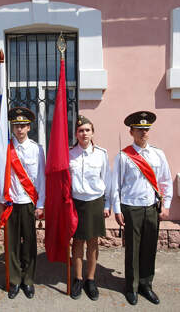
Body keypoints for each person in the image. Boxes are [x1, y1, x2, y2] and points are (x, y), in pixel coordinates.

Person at [106, 111, 172, 306]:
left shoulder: (158, 154)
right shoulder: (123, 156)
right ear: (131, 132)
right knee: (133, 249)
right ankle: (131, 286)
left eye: (146, 129)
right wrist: (117, 210)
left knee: (149, 248)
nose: (143, 133)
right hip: (131, 208)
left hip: (151, 207)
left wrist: (166, 206)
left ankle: (146, 284)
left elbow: (166, 181)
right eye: (139, 130)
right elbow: (115, 186)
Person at [0, 107, 45, 299]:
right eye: (16, 125)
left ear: (29, 127)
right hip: (11, 203)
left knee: (29, 243)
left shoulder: (37, 149)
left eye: (23, 126)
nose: (19, 129)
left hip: (28, 203)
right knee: (12, 244)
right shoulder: (5, 149)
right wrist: (3, 199)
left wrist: (40, 204)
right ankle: (15, 280)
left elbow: (41, 178)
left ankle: (28, 280)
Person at [68, 115, 110, 301]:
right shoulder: (69, 154)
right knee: (77, 242)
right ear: (76, 134)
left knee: (93, 242)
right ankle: (77, 278)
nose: (84, 133)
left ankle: (90, 279)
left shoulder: (101, 154)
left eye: (87, 130)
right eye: (80, 130)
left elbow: (106, 180)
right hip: (76, 202)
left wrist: (107, 204)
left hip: (94, 202)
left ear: (92, 132)